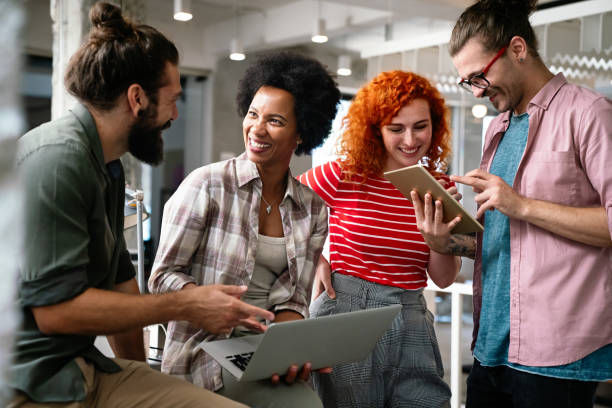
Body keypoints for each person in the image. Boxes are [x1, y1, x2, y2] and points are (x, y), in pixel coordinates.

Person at [9, 2, 273, 407]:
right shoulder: (58, 161)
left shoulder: (109, 167)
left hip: (86, 369)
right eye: (172, 99)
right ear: (137, 98)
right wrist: (187, 304)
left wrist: (141, 377)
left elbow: (120, 283)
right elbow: (56, 312)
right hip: (32, 384)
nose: (174, 113)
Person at [414, 0, 612, 406]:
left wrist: (521, 204)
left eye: (479, 77)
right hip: (491, 346)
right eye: (468, 82)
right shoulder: (498, 128)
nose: (477, 91)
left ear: (518, 49)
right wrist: (445, 240)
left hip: (558, 355)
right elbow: (508, 240)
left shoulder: (589, 114)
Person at [148, 50, 341, 408]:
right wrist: (210, 304)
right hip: (203, 348)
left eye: (275, 120)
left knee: (308, 403)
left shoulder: (312, 209)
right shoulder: (206, 185)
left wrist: (285, 351)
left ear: (301, 133)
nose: (257, 128)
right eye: (253, 114)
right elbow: (162, 277)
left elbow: (294, 298)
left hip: (263, 347)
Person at [299, 70, 460, 407]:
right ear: (375, 130)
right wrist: (316, 259)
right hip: (346, 311)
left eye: (420, 126)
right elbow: (279, 208)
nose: (410, 140)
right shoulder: (344, 174)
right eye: (395, 128)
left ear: (435, 125)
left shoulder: (440, 188)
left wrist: (438, 238)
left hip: (413, 313)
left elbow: (443, 278)